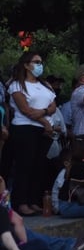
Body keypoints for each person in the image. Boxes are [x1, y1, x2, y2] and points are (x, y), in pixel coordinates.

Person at [7, 52, 57, 215]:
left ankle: (34, 200)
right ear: (26, 65)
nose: (39, 65)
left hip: (43, 131)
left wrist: (42, 112)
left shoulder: (45, 85)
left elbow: (52, 106)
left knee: (39, 166)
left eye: (41, 62)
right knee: (24, 166)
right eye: (36, 62)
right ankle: (20, 202)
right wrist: (44, 121)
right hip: (24, 128)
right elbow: (26, 110)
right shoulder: (17, 85)